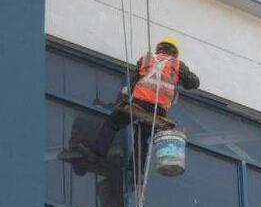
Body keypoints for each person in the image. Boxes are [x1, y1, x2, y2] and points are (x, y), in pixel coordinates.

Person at [76, 36, 199, 172]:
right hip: (159, 110)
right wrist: (179, 79)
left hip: (140, 102)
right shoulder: (177, 65)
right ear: (174, 52)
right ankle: (137, 171)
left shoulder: (146, 59)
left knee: (113, 124)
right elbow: (194, 82)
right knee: (142, 136)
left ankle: (96, 153)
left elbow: (134, 83)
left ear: (159, 48)